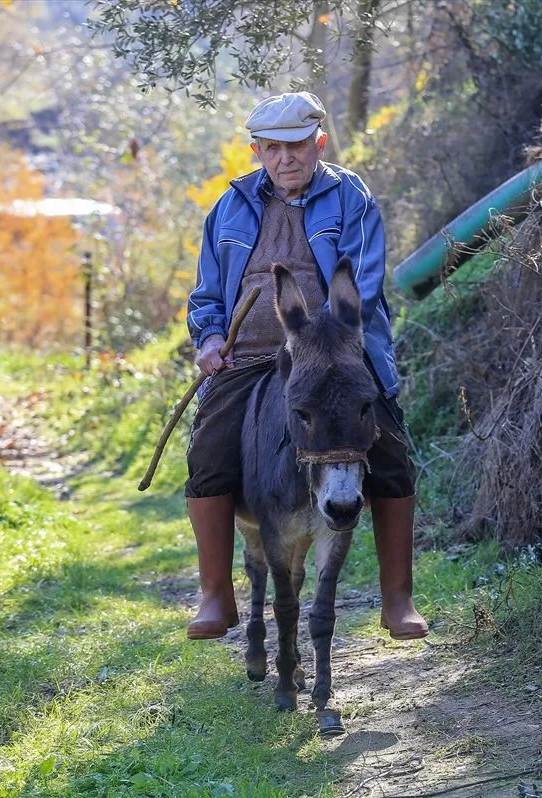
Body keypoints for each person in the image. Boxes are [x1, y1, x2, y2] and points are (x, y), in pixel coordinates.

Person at [183, 91, 428, 641]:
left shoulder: (349, 196)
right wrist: (211, 338)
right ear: (256, 151)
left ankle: (398, 598)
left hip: (335, 354)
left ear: (319, 144)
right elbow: (206, 295)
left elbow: (361, 284)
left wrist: (320, 342)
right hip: (247, 358)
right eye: (271, 148)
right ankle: (216, 595)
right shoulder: (229, 207)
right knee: (208, 453)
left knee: (389, 453)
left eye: (295, 146)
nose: (285, 158)